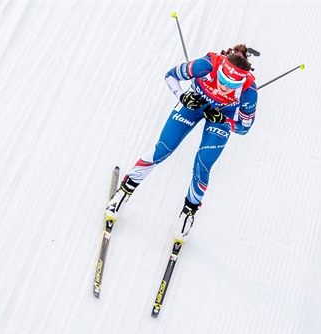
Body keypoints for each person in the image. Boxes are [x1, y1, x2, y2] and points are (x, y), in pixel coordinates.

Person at [105, 44, 258, 243]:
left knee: (203, 164)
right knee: (164, 148)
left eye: (232, 85)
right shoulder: (207, 64)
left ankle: (188, 212)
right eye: (223, 80)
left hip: (221, 115)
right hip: (194, 103)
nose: (225, 87)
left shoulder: (249, 90)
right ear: (219, 70)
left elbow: (244, 127)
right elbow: (170, 75)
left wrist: (224, 120)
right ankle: (125, 191)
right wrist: (183, 96)